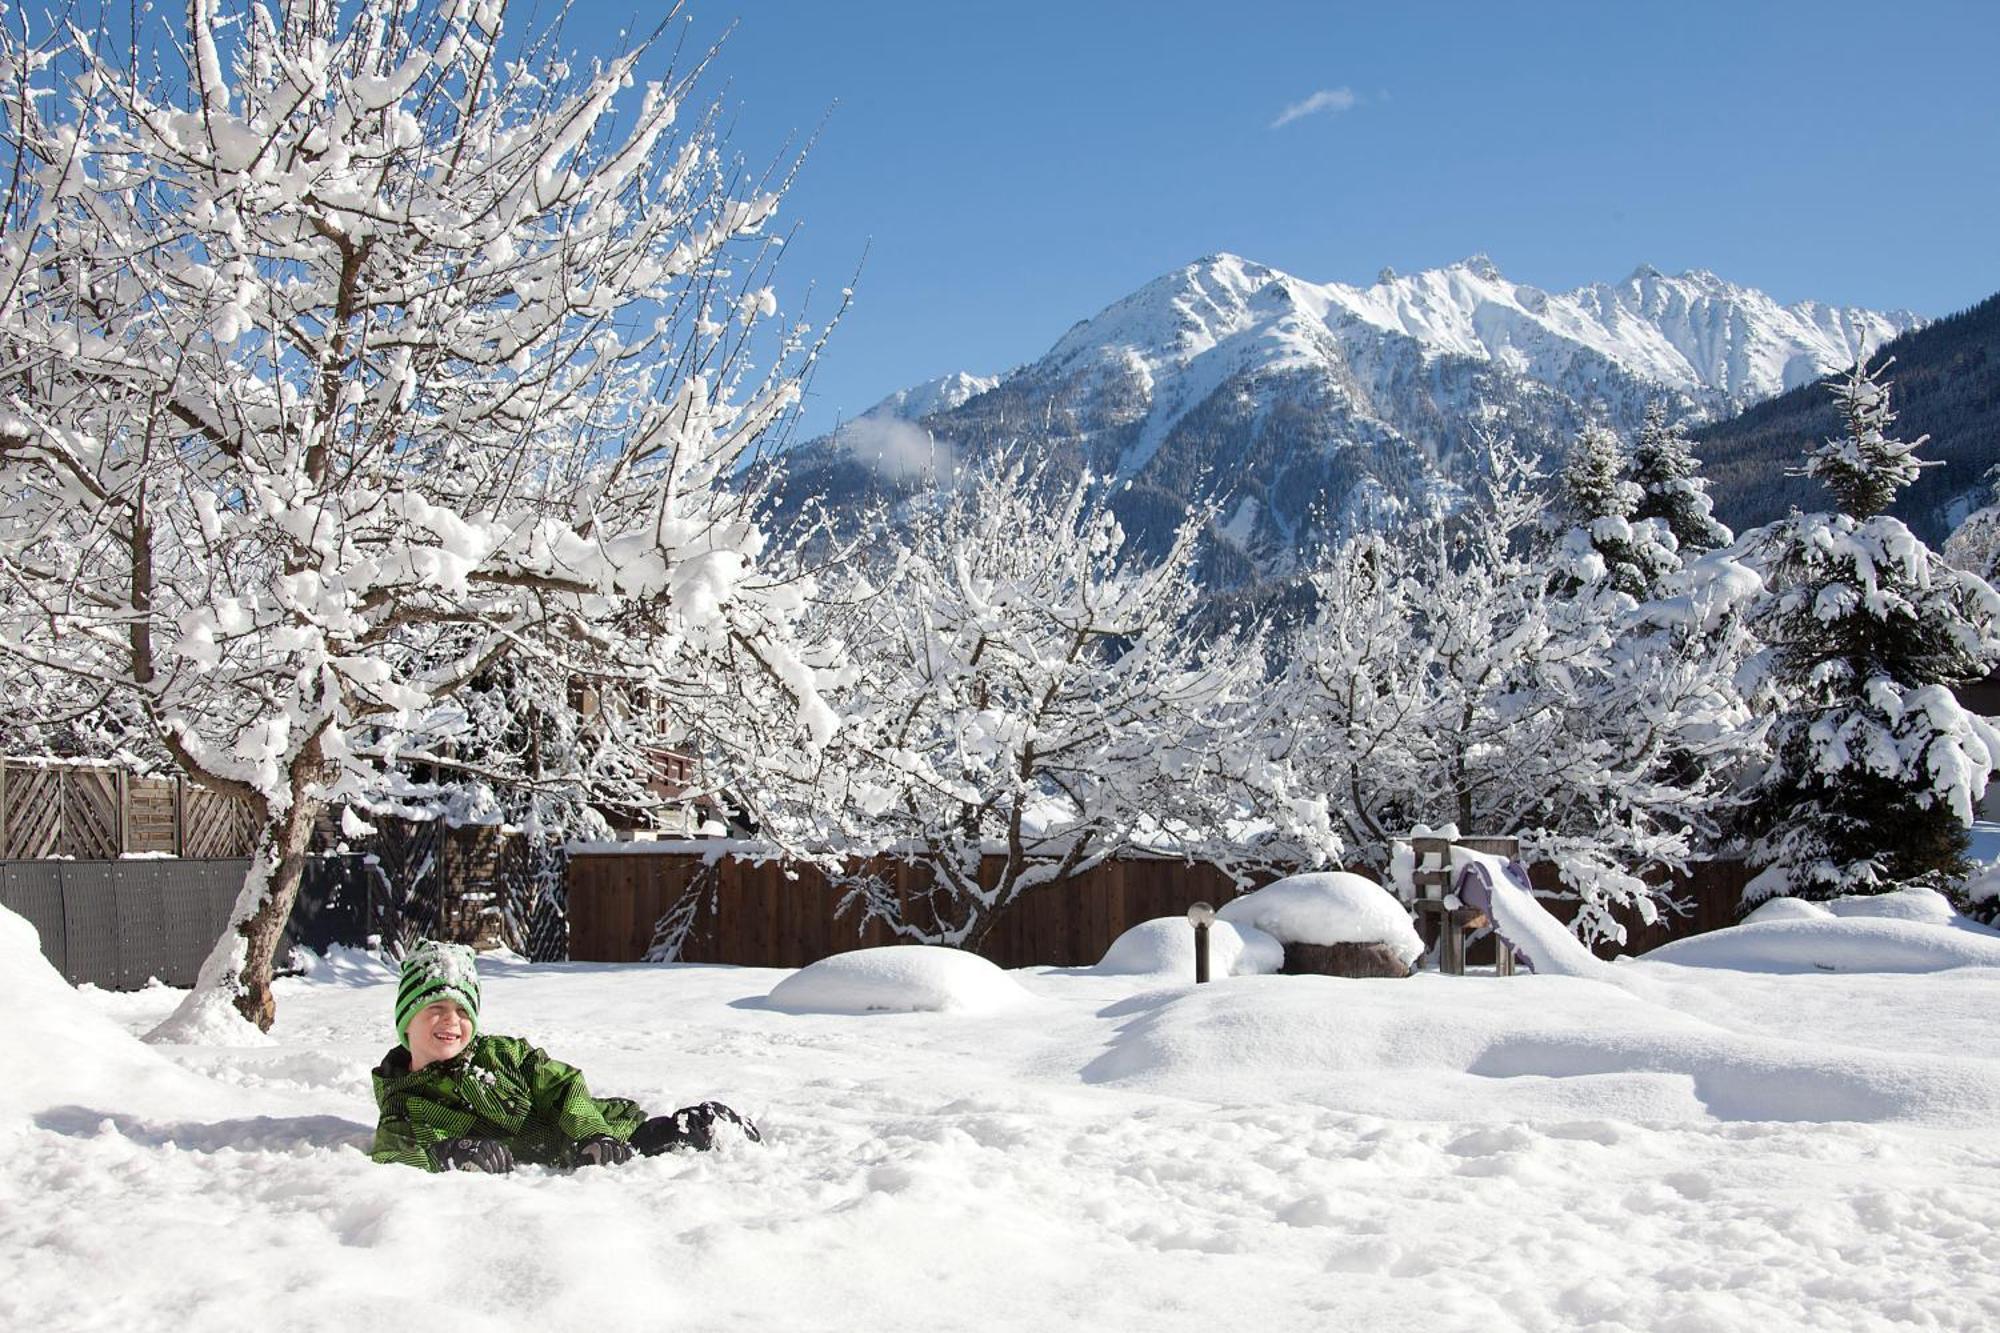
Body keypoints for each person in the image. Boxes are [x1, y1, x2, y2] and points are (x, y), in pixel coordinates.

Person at [370, 940, 760, 1173]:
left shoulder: (503, 1053)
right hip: (557, 1164)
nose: (451, 1023)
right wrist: (448, 1153)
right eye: (435, 1009)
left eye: (462, 1012)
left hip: (589, 1135)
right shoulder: (405, 1098)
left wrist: (592, 1132)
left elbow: (561, 1084)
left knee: (666, 1137)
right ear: (407, 1020)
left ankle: (717, 1122)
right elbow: (393, 1152)